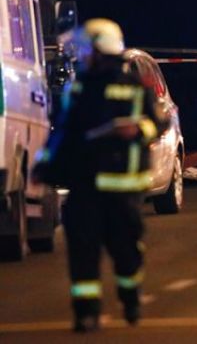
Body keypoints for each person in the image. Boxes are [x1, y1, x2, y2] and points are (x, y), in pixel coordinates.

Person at [32, 19, 168, 332]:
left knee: (126, 249)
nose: (82, 55)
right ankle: (86, 312)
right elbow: (64, 132)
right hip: (86, 183)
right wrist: (45, 165)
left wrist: (136, 130)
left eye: (87, 49)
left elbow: (158, 123)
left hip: (124, 186)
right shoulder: (79, 87)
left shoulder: (136, 86)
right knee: (82, 249)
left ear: (101, 49)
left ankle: (130, 296)